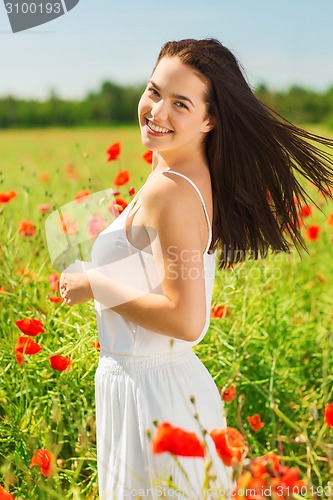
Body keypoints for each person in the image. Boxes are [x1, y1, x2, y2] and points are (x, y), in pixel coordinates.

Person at [59, 38, 333, 498]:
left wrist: (95, 284)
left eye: (179, 103)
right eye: (154, 92)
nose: (156, 111)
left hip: (155, 402)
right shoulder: (173, 170)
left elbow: (187, 319)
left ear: (210, 119)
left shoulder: (173, 189)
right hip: (148, 390)